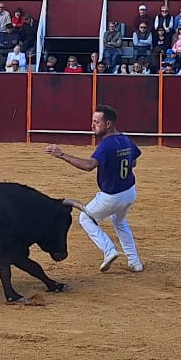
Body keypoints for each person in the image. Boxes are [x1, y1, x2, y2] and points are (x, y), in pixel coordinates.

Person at [44, 105, 143, 273]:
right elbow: (133, 161)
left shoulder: (106, 145)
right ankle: (135, 262)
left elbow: (89, 165)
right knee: (119, 221)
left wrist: (61, 155)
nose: (92, 125)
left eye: (97, 122)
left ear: (108, 124)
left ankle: (109, 250)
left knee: (85, 218)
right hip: (129, 192)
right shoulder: (125, 139)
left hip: (112, 196)